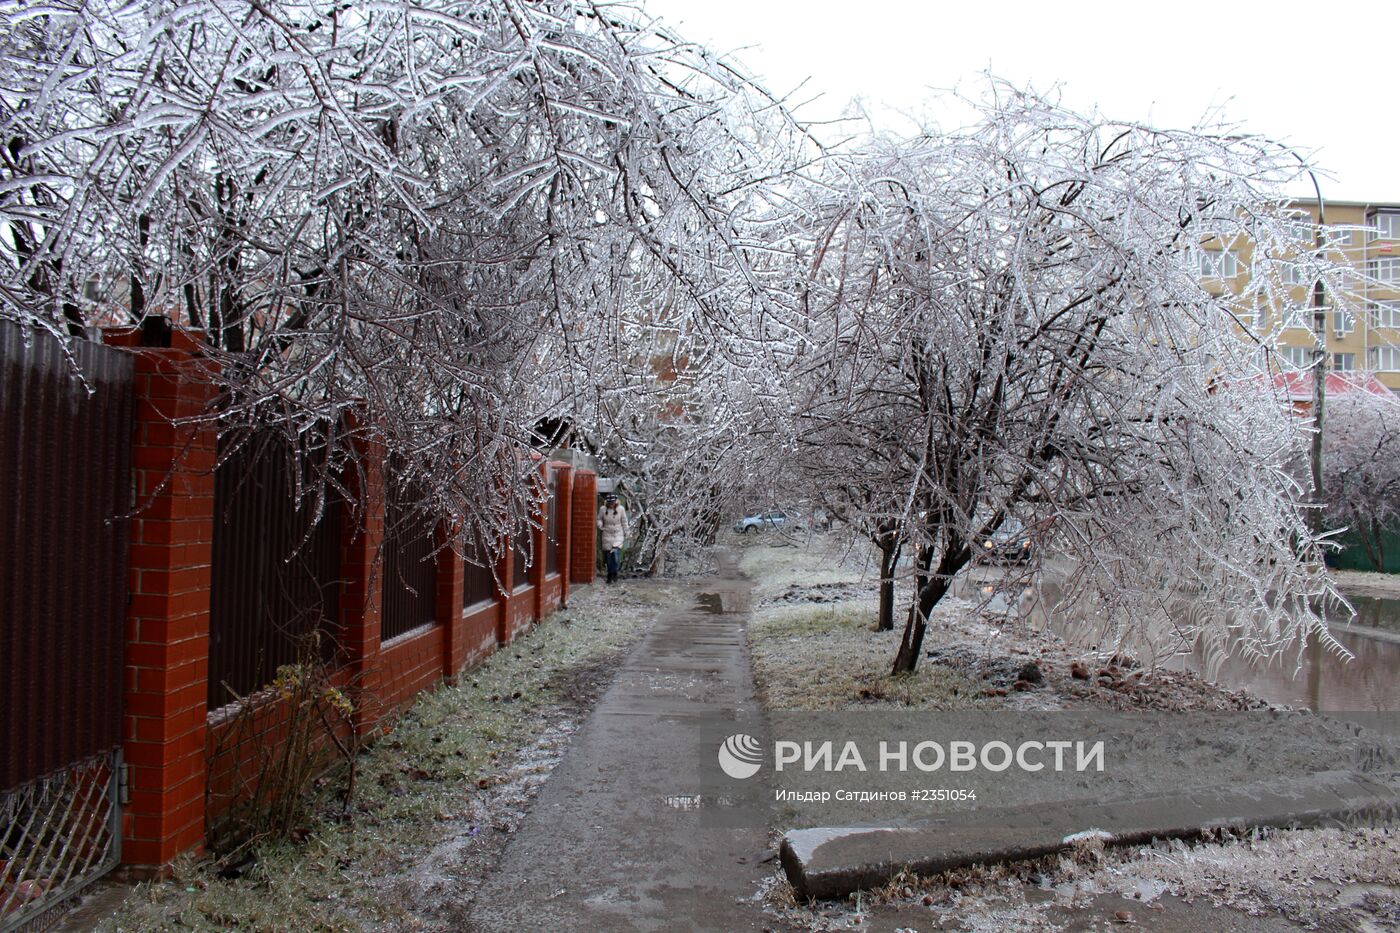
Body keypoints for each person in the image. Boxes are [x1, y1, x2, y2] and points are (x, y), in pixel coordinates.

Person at [596, 493, 628, 584]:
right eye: (610, 503)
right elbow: (599, 519)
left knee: (615, 555)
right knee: (609, 557)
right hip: (607, 533)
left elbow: (624, 521)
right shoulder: (603, 509)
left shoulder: (621, 509)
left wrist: (627, 532)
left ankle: (614, 573)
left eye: (613, 503)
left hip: (618, 533)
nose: (611, 504)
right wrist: (600, 525)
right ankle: (611, 574)